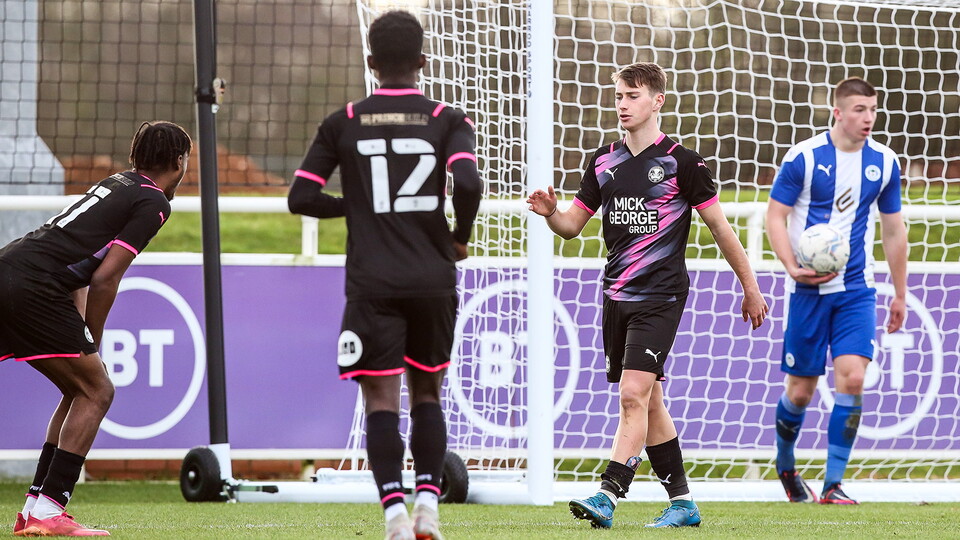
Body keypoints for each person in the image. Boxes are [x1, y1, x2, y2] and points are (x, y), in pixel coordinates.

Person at [527, 62, 768, 529]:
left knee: (633, 395)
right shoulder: (603, 161)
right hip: (616, 295)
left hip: (662, 295)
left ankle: (608, 492)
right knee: (650, 400)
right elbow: (572, 228)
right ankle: (682, 502)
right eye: (618, 95)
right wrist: (551, 212)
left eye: (632, 95)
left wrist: (750, 287)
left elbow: (720, 228)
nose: (622, 103)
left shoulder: (684, 162)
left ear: (657, 101)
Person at [287, 10, 481, 540]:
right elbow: (466, 180)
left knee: (380, 400)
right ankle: (428, 511)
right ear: (422, 61)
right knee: (427, 395)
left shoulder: (343, 120)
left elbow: (300, 197)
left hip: (373, 282)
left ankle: (394, 518)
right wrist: (458, 235)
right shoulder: (447, 117)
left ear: (371, 63)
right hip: (432, 277)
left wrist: (360, 205)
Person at [1, 121, 192, 536]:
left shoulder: (117, 183)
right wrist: (93, 344)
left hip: (10, 268)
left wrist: (85, 344)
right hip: (34, 285)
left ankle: (35, 507)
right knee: (98, 390)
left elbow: (79, 271)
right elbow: (106, 278)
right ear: (179, 162)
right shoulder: (154, 201)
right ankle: (50, 511)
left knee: (78, 389)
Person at [766, 77, 907, 505]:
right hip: (807, 292)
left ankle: (832, 484)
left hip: (856, 290)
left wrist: (900, 292)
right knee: (800, 391)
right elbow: (775, 216)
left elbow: (894, 230)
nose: (868, 118)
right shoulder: (804, 158)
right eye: (860, 110)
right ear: (838, 112)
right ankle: (787, 465)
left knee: (854, 377)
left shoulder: (884, 162)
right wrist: (792, 266)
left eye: (873, 110)